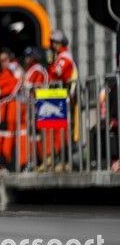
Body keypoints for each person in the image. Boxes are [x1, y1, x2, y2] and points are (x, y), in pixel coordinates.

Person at [47, 30, 78, 163]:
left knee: (62, 130)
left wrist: (50, 66)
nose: (54, 45)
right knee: (56, 129)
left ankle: (64, 160)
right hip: (57, 95)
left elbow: (56, 72)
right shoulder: (60, 56)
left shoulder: (65, 57)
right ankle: (57, 159)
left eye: (57, 43)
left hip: (64, 96)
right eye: (53, 43)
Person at [0, 49, 24, 170]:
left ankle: (11, 163)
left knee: (12, 137)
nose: (3, 63)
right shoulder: (4, 74)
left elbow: (11, 87)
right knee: (4, 136)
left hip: (13, 110)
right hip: (4, 111)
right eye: (1, 61)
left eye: (5, 60)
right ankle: (4, 162)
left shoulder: (14, 72)